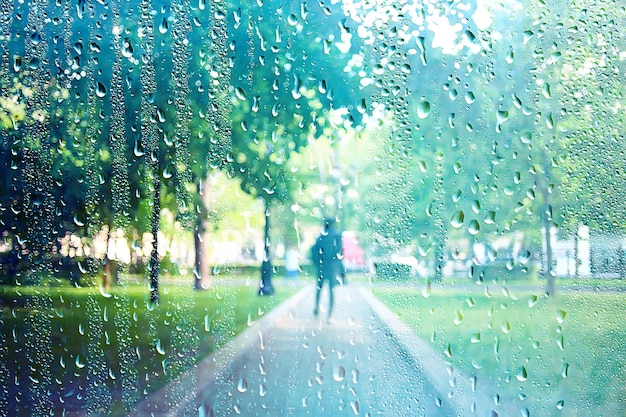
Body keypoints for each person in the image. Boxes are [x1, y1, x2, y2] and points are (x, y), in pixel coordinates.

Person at [311, 218, 343, 321]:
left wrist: (317, 263)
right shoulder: (337, 235)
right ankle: (330, 315)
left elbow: (314, 250)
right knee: (331, 290)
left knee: (319, 288)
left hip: (321, 266)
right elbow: (340, 253)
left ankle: (316, 308)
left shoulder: (321, 236)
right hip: (332, 267)